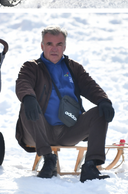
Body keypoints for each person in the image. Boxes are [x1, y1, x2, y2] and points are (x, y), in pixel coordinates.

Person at [15, 26, 115, 182]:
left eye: (59, 44)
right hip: (39, 130)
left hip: (69, 130)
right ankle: (49, 159)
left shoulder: (73, 67)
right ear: (42, 46)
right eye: (49, 44)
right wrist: (28, 97)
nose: (54, 49)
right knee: (28, 104)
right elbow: (23, 83)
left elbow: (90, 86)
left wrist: (104, 100)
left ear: (64, 46)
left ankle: (90, 166)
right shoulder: (32, 66)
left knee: (99, 112)